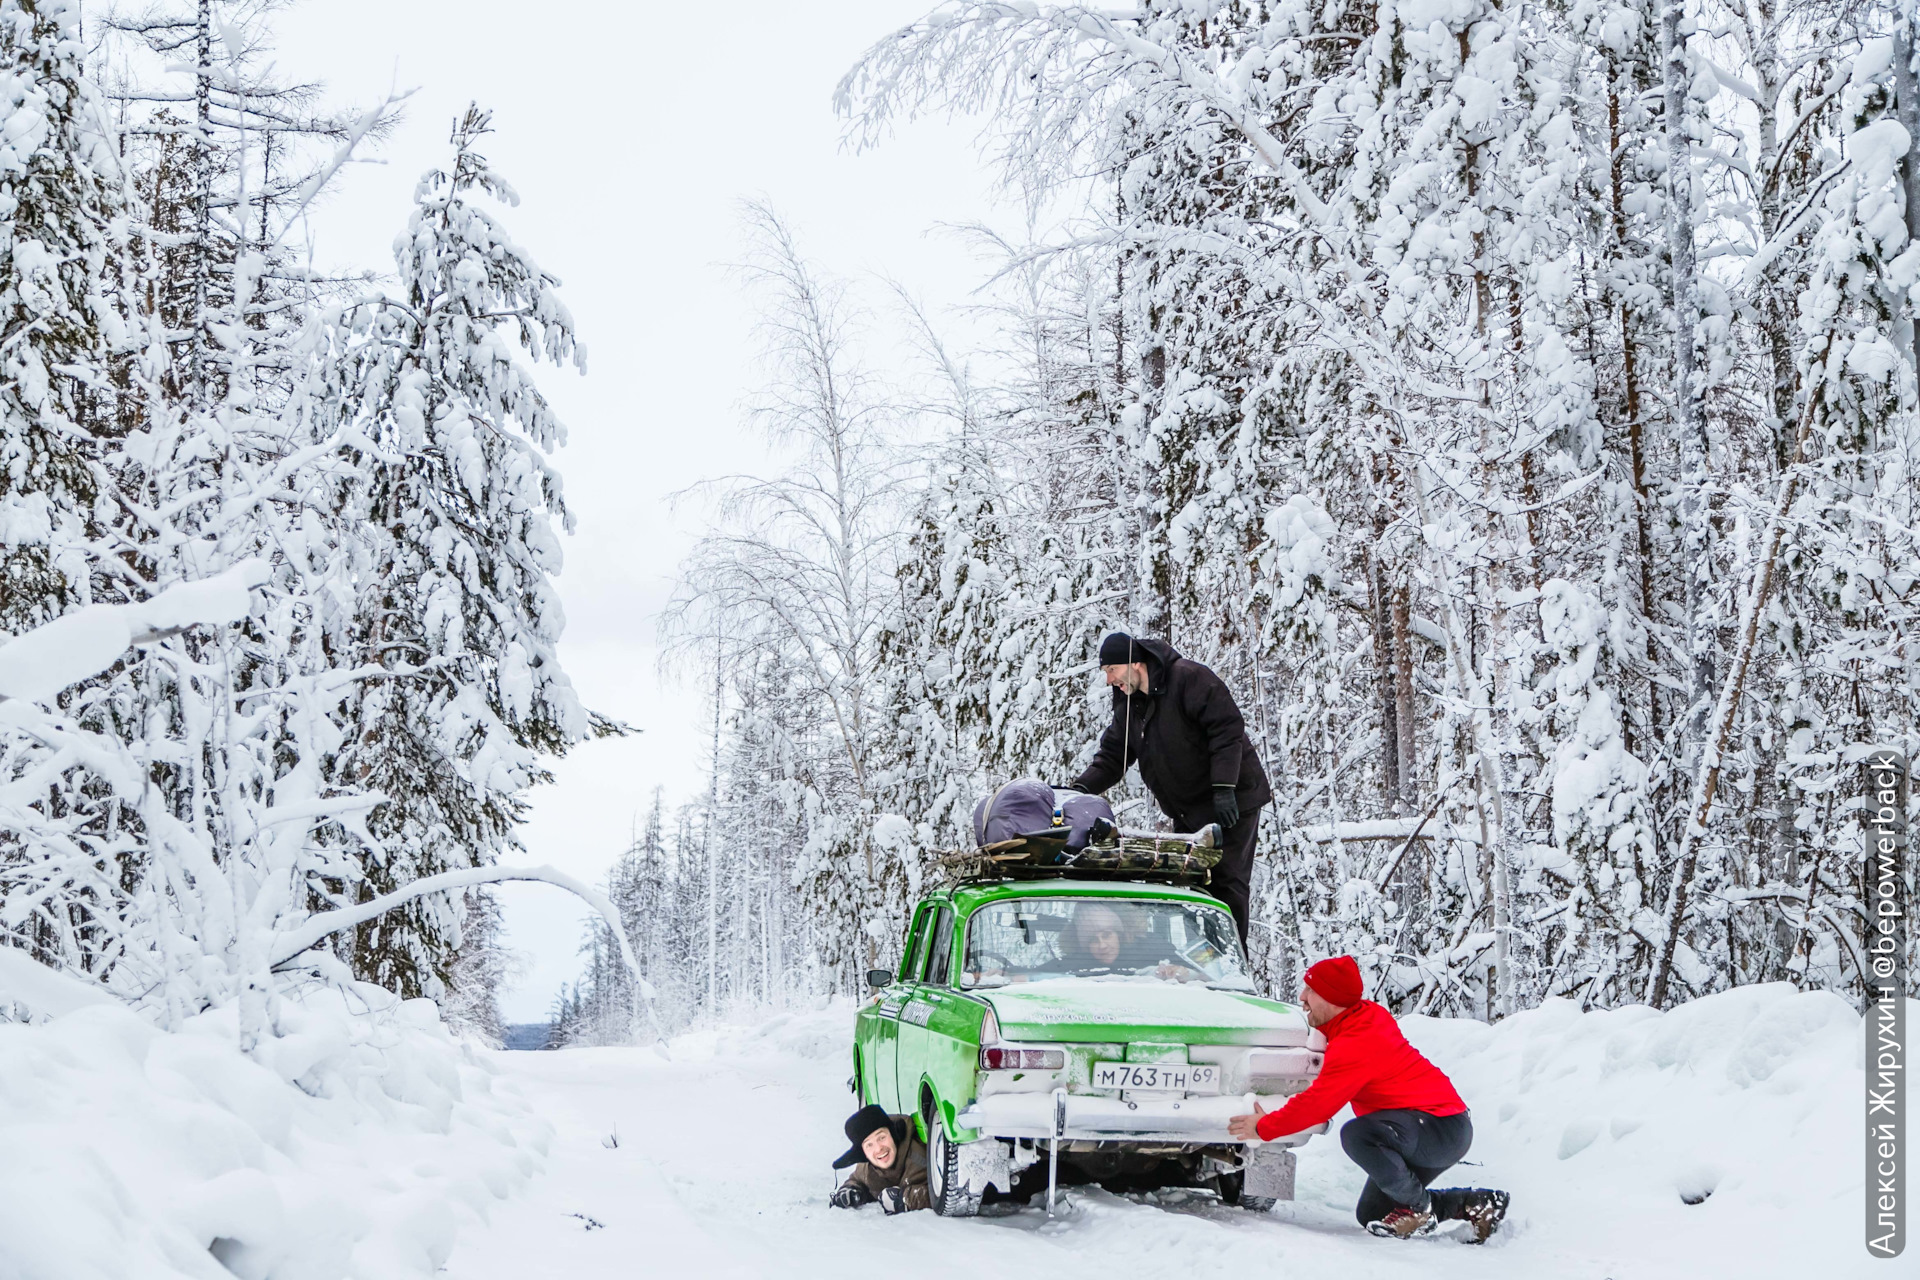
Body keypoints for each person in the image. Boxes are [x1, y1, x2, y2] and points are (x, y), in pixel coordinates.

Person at [1227, 956, 1510, 1242]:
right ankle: (1474, 1204)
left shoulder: (1357, 1041)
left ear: (1331, 997)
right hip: (1424, 1128)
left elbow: (1319, 1104)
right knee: (1374, 1215)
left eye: (1310, 990)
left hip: (1439, 1129)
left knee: (1357, 1134)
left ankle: (1419, 1208)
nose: (1302, 997)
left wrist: (1264, 1127)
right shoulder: (1361, 1018)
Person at [1064, 631, 1270, 947]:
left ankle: (1230, 962)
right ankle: (1202, 960)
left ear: (1134, 663)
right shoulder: (1131, 706)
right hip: (1188, 809)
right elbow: (1112, 758)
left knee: (1226, 882)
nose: (1109, 680)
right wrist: (1077, 790)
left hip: (1232, 800)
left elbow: (1227, 730)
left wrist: (1224, 786)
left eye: (1111, 670)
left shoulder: (1188, 678)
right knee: (1191, 883)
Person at [829, 1104, 929, 1213]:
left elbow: (943, 1193)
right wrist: (851, 1191)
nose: (878, 1149)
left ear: (893, 1134)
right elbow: (857, 1179)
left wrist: (905, 1199)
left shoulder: (919, 1157)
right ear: (864, 1153)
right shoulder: (867, 1167)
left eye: (881, 1137)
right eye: (869, 1145)